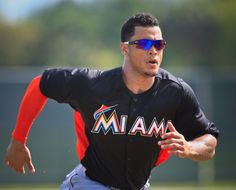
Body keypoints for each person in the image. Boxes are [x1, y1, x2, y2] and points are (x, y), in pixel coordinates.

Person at [5, 13, 219, 190]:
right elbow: (40, 84)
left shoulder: (176, 92)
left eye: (159, 44)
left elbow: (209, 141)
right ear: (124, 48)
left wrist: (189, 147)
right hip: (89, 184)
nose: (153, 50)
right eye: (143, 43)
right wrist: (18, 139)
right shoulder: (93, 84)